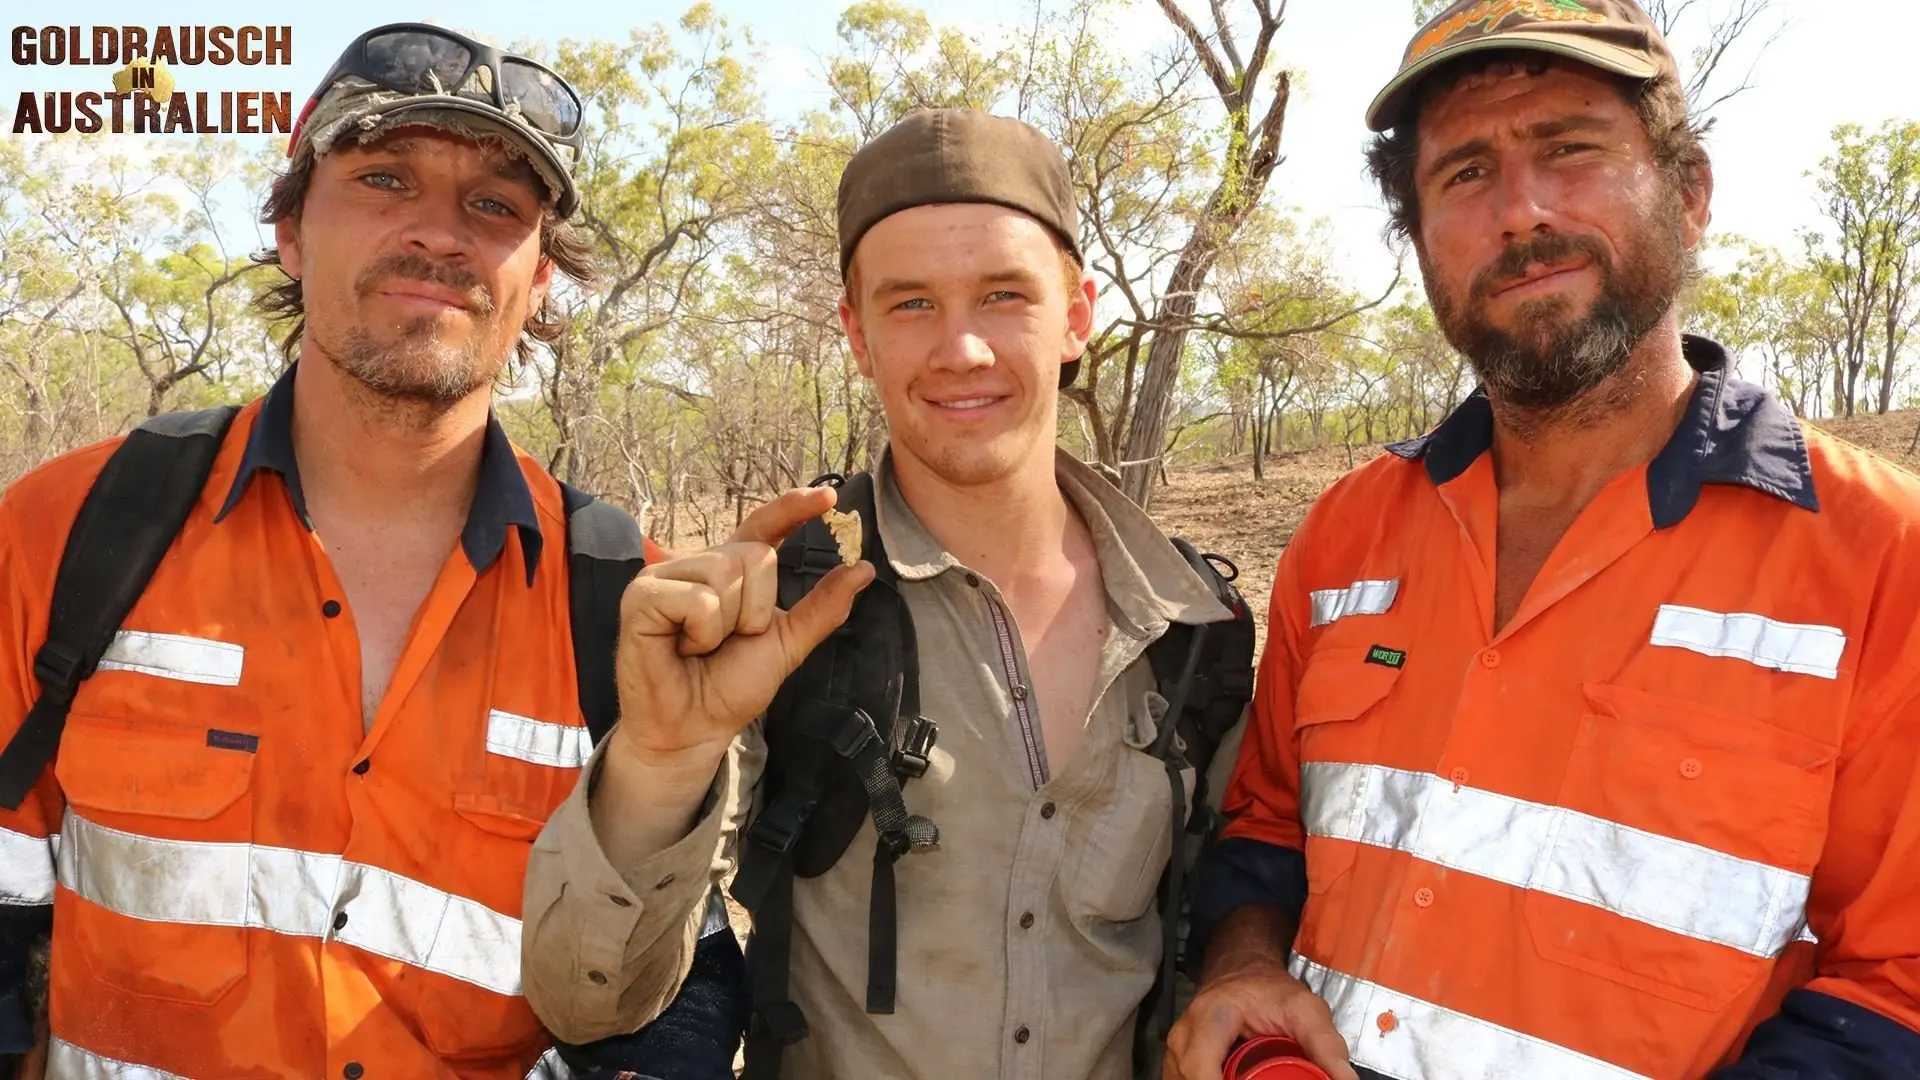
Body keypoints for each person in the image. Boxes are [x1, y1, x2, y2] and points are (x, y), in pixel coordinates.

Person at [1166, 2, 1920, 1079]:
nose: (1520, 212)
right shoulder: (1347, 535)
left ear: (1689, 191)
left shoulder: (1884, 557)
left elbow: (1899, 989)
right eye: (1464, 174)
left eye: (1569, 149)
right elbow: (1270, 822)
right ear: (1420, 237)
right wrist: (1240, 968)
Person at [0, 22, 746, 1079]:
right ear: (292, 231)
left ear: (538, 282)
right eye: (386, 178)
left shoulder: (618, 600)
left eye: (496, 205)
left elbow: (678, 983)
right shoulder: (72, 528)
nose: (441, 234)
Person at [520, 108, 1255, 1079]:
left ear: (1076, 314)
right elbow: (585, 997)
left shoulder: (1194, 625)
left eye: (1003, 296)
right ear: (856, 333)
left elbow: (1219, 935)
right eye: (910, 304)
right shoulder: (782, 611)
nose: (962, 349)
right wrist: (664, 758)